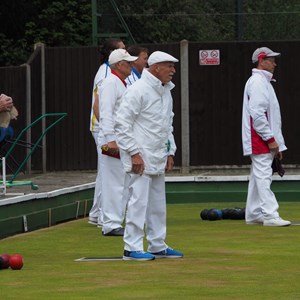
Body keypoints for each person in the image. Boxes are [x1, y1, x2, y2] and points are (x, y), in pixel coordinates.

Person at [115, 51, 184, 260]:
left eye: (173, 66)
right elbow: (122, 123)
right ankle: (131, 247)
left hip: (157, 155)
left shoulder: (165, 92)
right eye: (169, 66)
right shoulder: (138, 90)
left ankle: (157, 244)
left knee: (157, 203)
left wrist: (170, 152)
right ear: (155, 67)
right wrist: (134, 153)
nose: (173, 70)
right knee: (138, 202)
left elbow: (167, 125)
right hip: (140, 156)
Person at [242, 47, 291, 227]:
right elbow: (257, 113)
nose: (275, 63)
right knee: (263, 175)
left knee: (258, 175)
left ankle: (254, 214)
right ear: (261, 60)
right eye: (271, 60)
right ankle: (270, 215)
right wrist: (270, 139)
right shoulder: (258, 82)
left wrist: (276, 142)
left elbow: (267, 115)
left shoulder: (262, 82)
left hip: (261, 136)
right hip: (259, 137)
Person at [99, 49, 138, 236]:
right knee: (114, 182)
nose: (131, 66)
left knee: (122, 182)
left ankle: (116, 221)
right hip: (113, 139)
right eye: (128, 63)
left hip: (120, 139)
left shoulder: (120, 83)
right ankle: (111, 224)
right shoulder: (110, 83)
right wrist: (110, 139)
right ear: (119, 65)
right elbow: (105, 112)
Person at [88, 39, 125, 227]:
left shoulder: (111, 73)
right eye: (122, 50)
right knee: (108, 172)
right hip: (102, 130)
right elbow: (98, 105)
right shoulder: (106, 73)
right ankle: (103, 216)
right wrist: (108, 133)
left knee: (106, 172)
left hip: (106, 130)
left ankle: (96, 213)